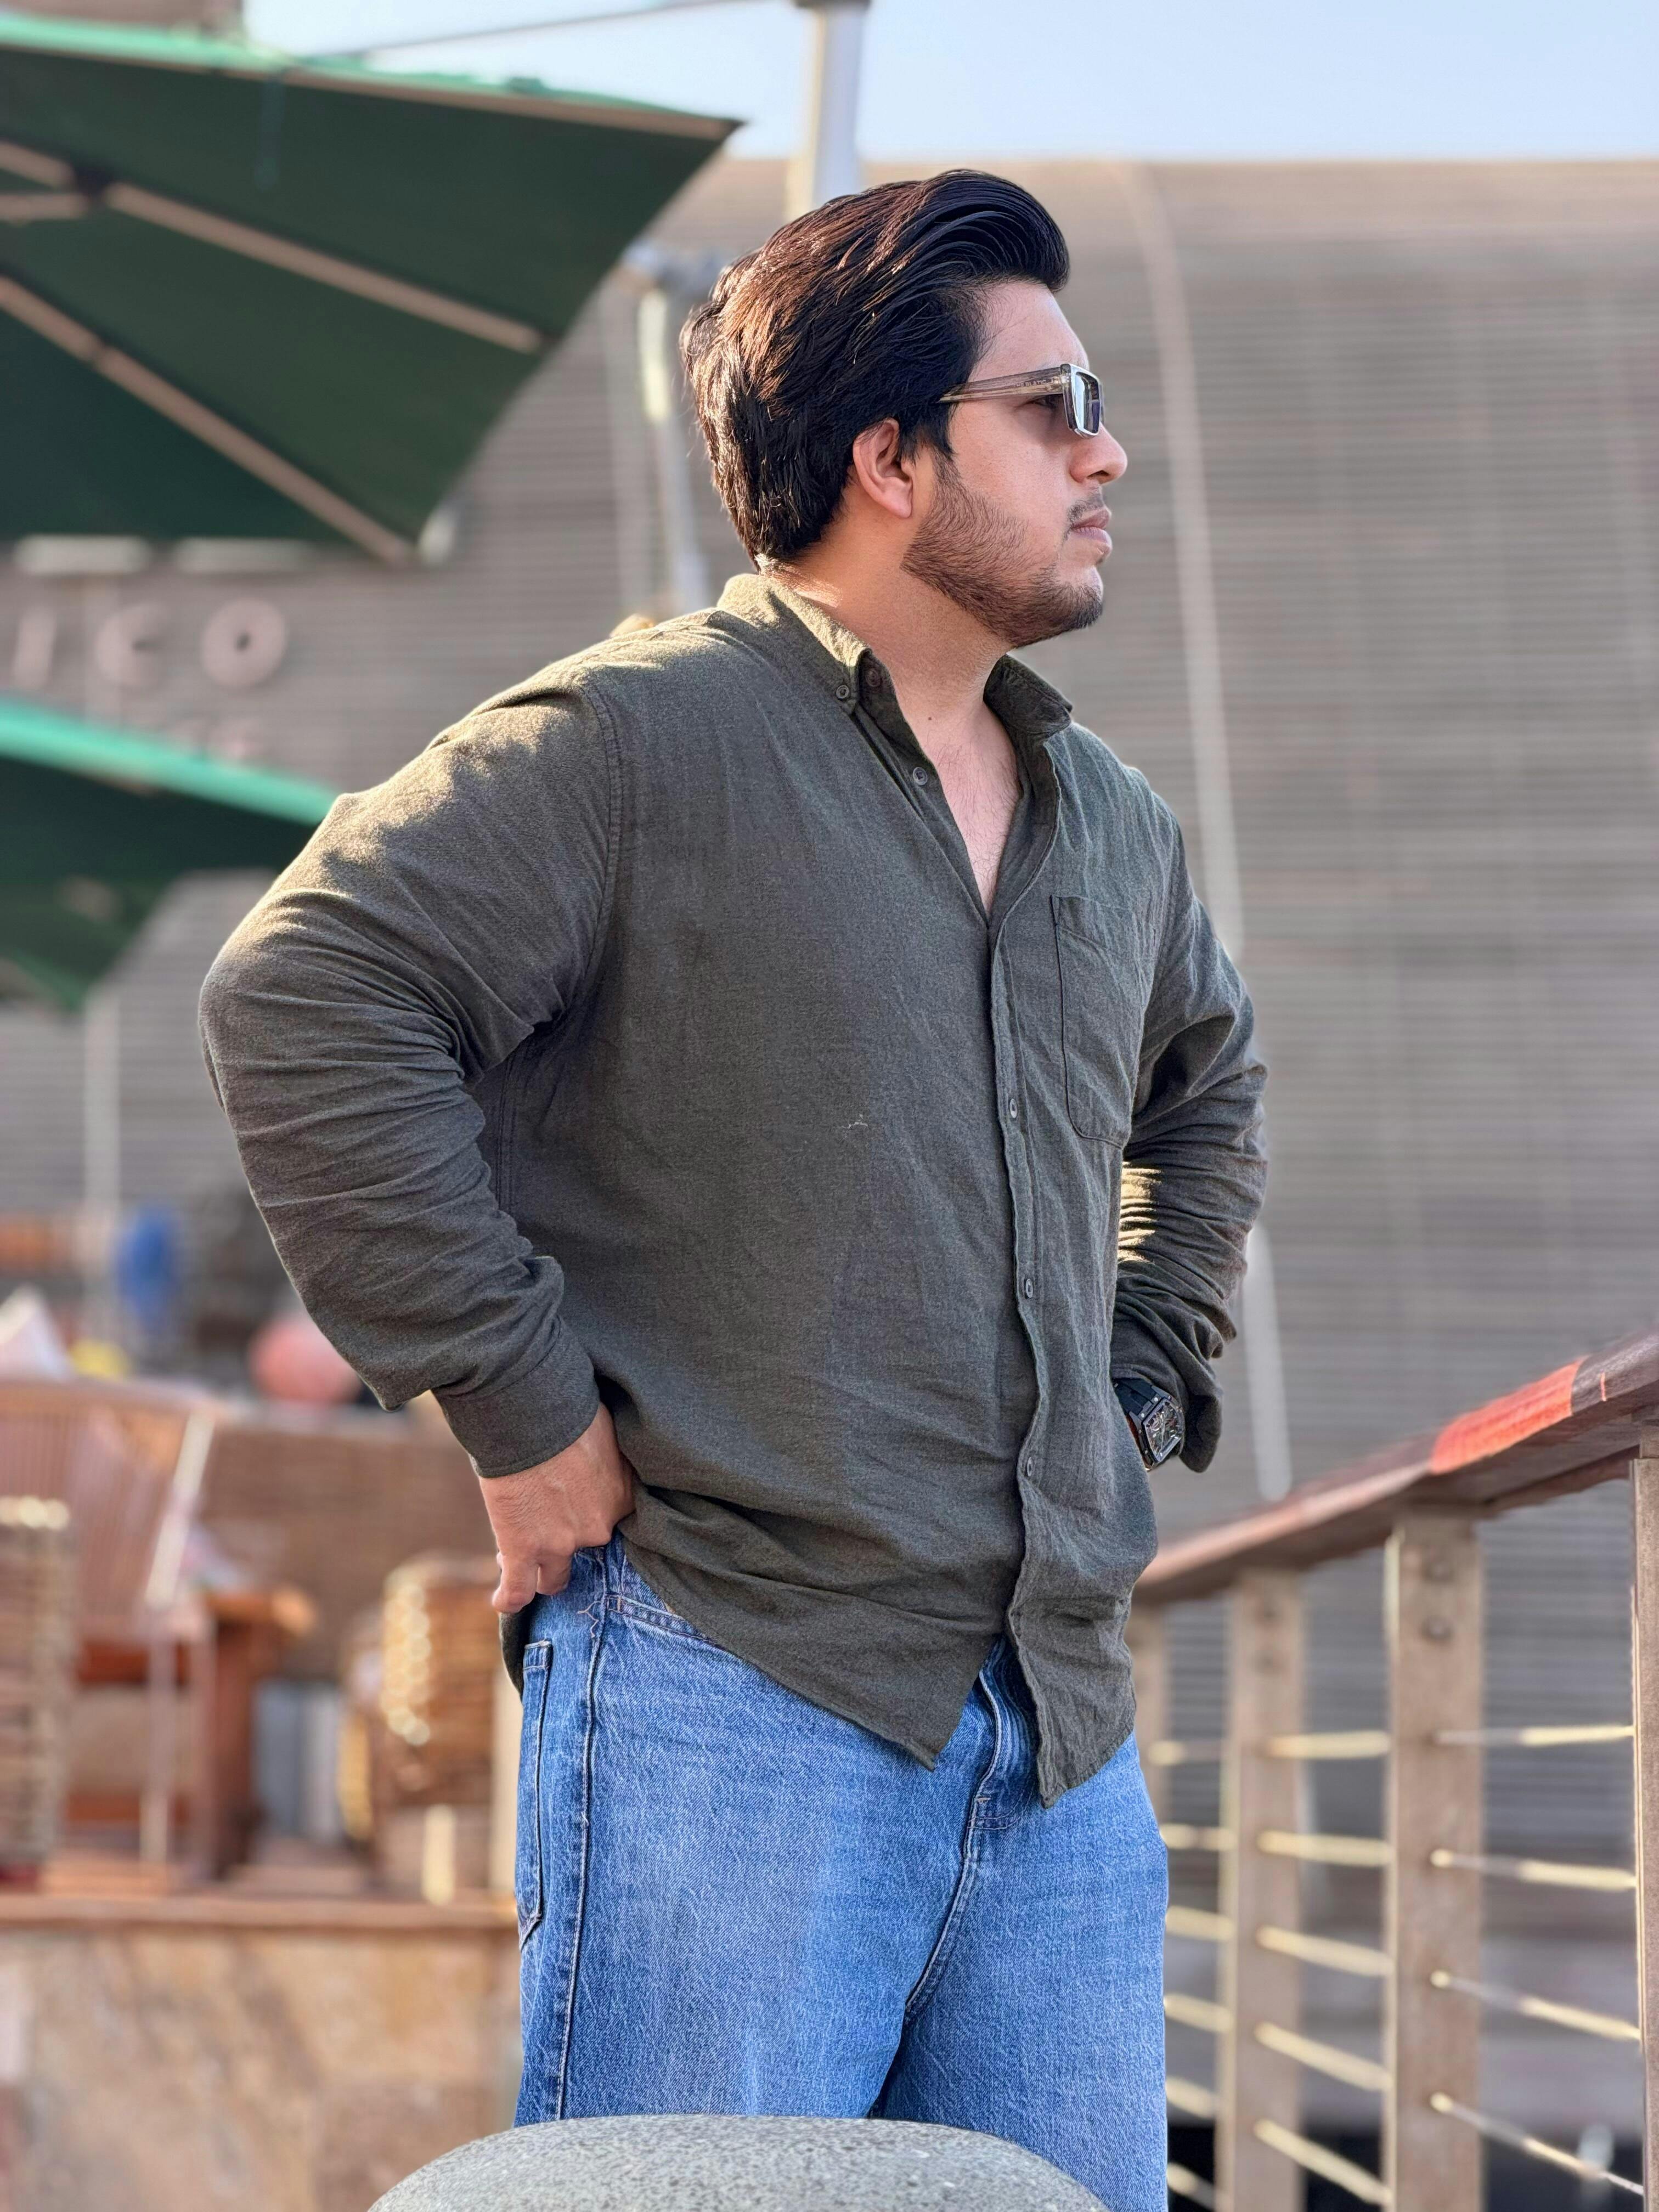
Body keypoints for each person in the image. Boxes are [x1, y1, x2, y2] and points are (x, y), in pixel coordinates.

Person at [199, 170, 1266, 2209]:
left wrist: (1141, 1372)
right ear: (889, 457)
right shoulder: (640, 740)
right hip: (732, 1695)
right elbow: (309, 994)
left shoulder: (1111, 823)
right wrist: (518, 1409)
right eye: (1053, 406)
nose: (1105, 451)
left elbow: (1208, 1092)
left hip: (1061, 1743)